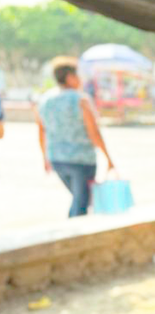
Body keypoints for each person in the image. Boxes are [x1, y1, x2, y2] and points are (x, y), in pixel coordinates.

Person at [34, 57, 115, 217]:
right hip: (82, 161)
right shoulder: (81, 100)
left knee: (79, 200)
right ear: (70, 78)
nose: (80, 79)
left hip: (57, 160)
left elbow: (42, 132)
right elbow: (94, 133)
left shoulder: (44, 101)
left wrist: (45, 158)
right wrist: (108, 158)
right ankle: (72, 236)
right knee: (81, 203)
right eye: (77, 75)